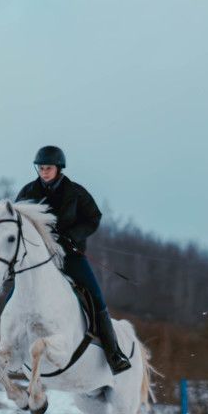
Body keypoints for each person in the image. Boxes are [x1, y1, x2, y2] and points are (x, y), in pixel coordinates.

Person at [15, 145, 131, 374]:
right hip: (39, 258)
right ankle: (9, 348)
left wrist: (73, 236)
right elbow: (17, 219)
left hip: (70, 256)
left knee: (96, 296)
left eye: (48, 168)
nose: (44, 172)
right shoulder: (28, 191)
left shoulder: (75, 192)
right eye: (40, 168)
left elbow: (94, 217)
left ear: (58, 168)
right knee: (15, 295)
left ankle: (113, 353)